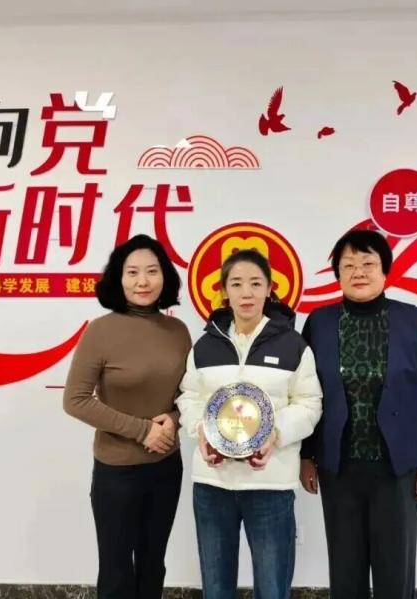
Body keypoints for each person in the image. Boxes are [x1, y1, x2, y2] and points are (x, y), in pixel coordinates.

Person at [300, 229, 417, 599]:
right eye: (348, 265)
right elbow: (304, 395)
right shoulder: (319, 323)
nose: (358, 272)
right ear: (337, 273)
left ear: (385, 271)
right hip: (338, 464)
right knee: (345, 567)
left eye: (368, 263)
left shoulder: (412, 320)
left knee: (394, 569)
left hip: (397, 466)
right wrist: (306, 455)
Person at [176, 249, 322, 599]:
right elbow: (188, 397)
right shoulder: (205, 345)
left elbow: (309, 403)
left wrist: (274, 434)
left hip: (270, 483)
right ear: (224, 291)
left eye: (256, 284)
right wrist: (202, 431)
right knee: (216, 588)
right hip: (213, 484)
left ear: (269, 289)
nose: (247, 293)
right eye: (237, 284)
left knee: (272, 588)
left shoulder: (293, 345)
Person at [63, 234, 192, 599]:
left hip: (166, 466)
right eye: (132, 272)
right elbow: (75, 400)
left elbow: (191, 394)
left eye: (152, 271)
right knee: (117, 570)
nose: (143, 281)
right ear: (118, 278)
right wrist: (142, 430)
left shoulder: (177, 331)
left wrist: (174, 419)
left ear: (164, 276)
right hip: (116, 471)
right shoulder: (101, 331)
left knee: (153, 565)